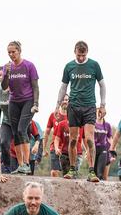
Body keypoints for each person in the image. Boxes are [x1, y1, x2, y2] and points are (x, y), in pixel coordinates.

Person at [55, 41, 106, 182]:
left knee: (89, 139)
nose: (81, 58)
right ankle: (72, 169)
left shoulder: (94, 65)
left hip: (89, 106)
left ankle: (91, 171)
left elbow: (102, 85)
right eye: (79, 55)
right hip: (74, 106)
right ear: (75, 52)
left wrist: (103, 105)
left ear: (87, 52)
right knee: (73, 139)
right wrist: (57, 105)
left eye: (83, 55)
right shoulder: (69, 66)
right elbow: (63, 87)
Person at [1, 41, 40, 175]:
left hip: (28, 101)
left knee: (21, 129)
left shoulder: (29, 65)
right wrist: (6, 73)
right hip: (14, 101)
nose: (11, 55)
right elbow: (4, 87)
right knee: (15, 133)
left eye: (14, 52)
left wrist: (36, 103)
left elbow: (35, 86)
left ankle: (27, 164)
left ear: (19, 51)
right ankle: (21, 164)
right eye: (9, 52)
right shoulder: (8, 67)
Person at [43, 95, 69, 177]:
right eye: (63, 100)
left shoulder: (71, 116)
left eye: (67, 100)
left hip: (68, 149)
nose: (65, 101)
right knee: (54, 171)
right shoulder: (53, 115)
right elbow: (47, 132)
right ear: (59, 101)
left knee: (67, 174)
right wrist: (44, 148)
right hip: (55, 147)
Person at [94, 108, 113, 180]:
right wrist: (87, 150)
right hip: (94, 149)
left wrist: (112, 151)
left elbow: (110, 138)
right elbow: (86, 138)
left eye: (100, 112)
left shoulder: (107, 125)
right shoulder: (92, 124)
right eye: (97, 112)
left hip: (103, 149)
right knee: (94, 173)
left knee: (100, 173)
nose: (99, 114)